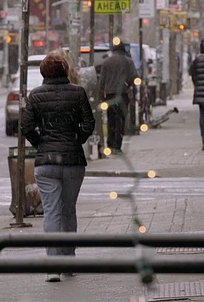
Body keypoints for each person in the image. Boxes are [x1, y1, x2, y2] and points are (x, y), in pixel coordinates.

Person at [21, 51, 95, 283]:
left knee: (51, 212)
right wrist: (77, 140)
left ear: (43, 72)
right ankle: (69, 261)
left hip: (46, 163)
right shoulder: (78, 93)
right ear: (66, 71)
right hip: (73, 161)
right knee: (68, 211)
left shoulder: (36, 96)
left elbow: (25, 126)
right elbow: (89, 123)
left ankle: (52, 266)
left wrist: (40, 142)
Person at [98, 43, 137, 154]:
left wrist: (101, 94)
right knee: (121, 119)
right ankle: (117, 145)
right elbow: (134, 76)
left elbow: (102, 80)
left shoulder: (106, 62)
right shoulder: (128, 62)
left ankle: (110, 144)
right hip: (122, 94)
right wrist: (126, 84)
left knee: (111, 119)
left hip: (109, 94)